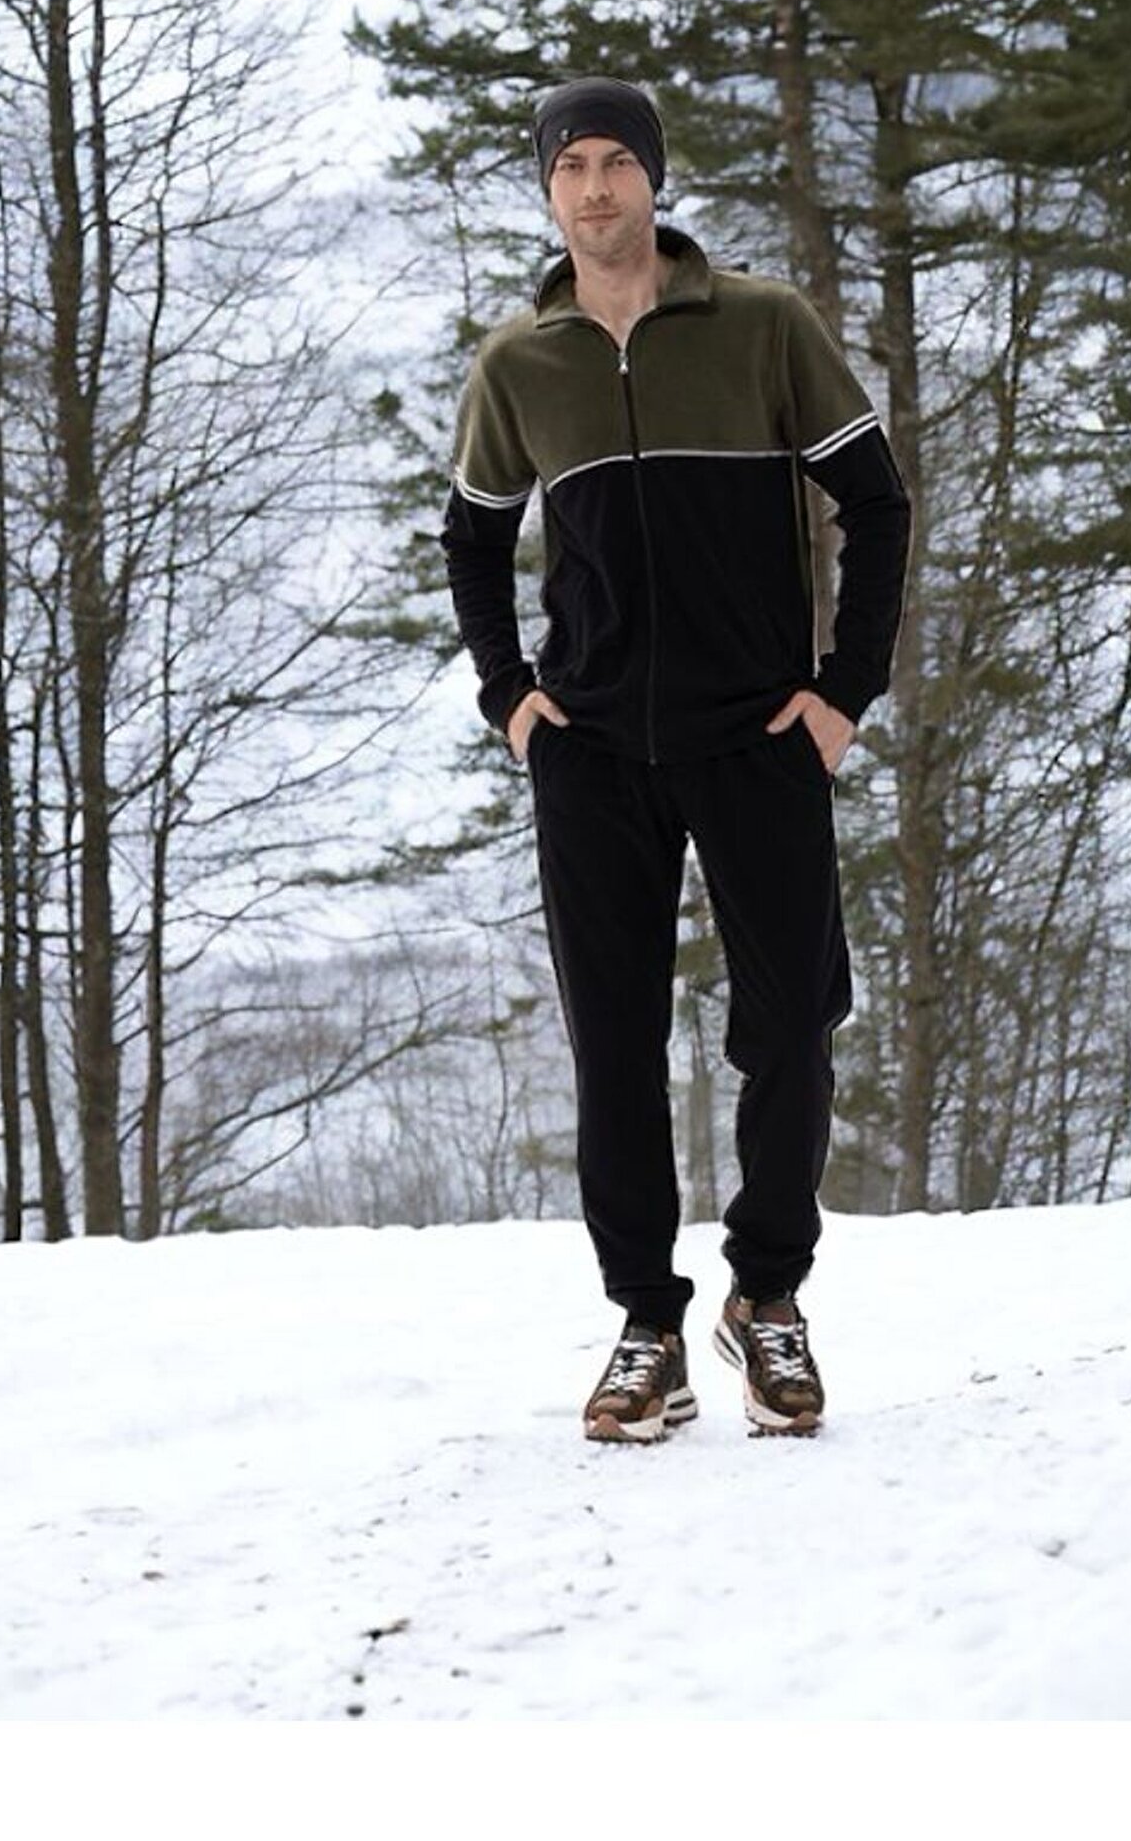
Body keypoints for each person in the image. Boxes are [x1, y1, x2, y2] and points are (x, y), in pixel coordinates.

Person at [441, 76, 910, 1442]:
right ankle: (647, 1323)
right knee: (616, 1046)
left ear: (654, 177)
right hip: (591, 753)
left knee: (792, 1028)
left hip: (758, 738)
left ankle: (768, 1297)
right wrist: (512, 700)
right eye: (570, 167)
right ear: (548, 190)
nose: (595, 188)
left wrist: (842, 694)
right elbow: (472, 537)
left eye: (616, 162)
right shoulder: (519, 365)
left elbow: (876, 502)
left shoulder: (764, 325)